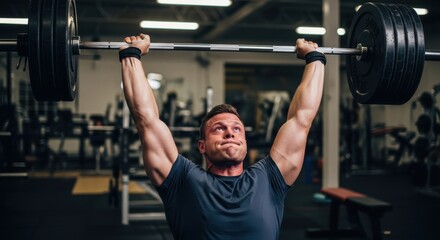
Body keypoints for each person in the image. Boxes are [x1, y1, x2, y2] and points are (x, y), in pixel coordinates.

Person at [119, 33, 325, 240]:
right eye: (218, 128)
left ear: (245, 142)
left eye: (237, 129)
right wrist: (131, 55)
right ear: (202, 146)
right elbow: (146, 120)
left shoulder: (270, 179)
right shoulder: (182, 181)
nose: (229, 132)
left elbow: (302, 119)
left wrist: (314, 58)